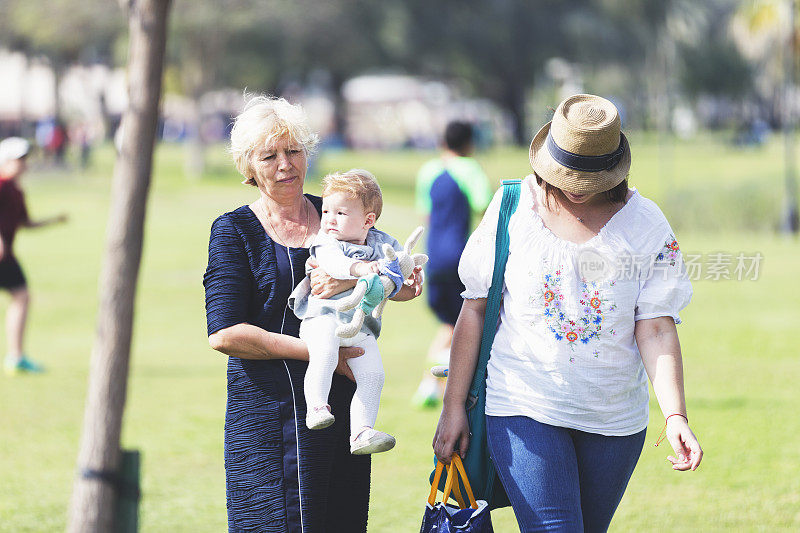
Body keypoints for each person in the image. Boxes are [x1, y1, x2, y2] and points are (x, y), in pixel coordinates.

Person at [432, 94, 703, 531]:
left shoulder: (647, 224)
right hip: (522, 403)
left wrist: (676, 417)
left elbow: (655, 328)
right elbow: (475, 310)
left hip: (615, 420)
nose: (574, 184)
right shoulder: (512, 208)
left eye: (588, 174)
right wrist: (453, 406)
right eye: (567, 170)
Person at [203, 95, 422, 531]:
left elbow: (388, 276)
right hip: (267, 418)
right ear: (249, 167)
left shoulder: (340, 214)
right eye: (270, 156)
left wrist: (395, 284)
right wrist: (320, 354)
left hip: (342, 415)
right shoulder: (234, 230)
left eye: (294, 151)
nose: (285, 165)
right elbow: (224, 333)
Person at [288, 168, 407, 455]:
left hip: (360, 327)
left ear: (368, 221)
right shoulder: (326, 240)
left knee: (373, 375)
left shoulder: (382, 243)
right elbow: (332, 264)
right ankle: (316, 406)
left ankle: (362, 431)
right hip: (321, 319)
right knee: (325, 353)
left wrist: (413, 274)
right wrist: (361, 270)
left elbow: (403, 262)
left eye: (340, 213)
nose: (329, 219)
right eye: (326, 210)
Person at [413, 121, 492, 407]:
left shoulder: (428, 171)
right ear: (469, 144)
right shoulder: (470, 170)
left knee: (450, 323)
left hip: (433, 257)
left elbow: (426, 215)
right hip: (460, 257)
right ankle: (443, 387)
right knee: (465, 324)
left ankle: (430, 385)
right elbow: (485, 210)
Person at [0, 137, 67, 375]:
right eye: (19, 160)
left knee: (22, 296)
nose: (24, 165)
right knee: (21, 296)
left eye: (25, 160)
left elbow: (24, 223)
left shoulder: (16, 191)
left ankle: (16, 357)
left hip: (6, 258)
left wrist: (53, 221)